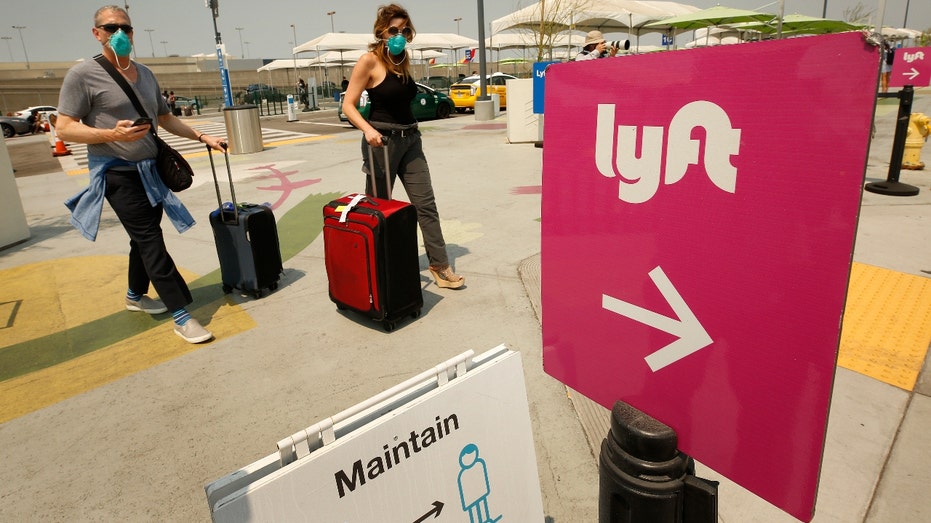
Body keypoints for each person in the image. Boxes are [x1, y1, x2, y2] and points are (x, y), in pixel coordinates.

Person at [57, 5, 227, 343]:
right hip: (116, 173)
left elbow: (165, 118)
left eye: (126, 27)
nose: (119, 33)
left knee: (142, 237)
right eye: (110, 28)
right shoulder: (82, 75)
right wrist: (110, 135)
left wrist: (202, 136)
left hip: (152, 172)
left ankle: (135, 295)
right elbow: (64, 128)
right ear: (97, 33)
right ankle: (181, 315)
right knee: (151, 239)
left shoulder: (146, 74)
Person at [342, 3, 464, 289]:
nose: (400, 35)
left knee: (426, 206)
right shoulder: (368, 61)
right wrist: (368, 130)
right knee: (378, 208)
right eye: (394, 30)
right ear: (381, 32)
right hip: (381, 142)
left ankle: (439, 264)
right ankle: (377, 267)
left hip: (411, 139)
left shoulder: (403, 60)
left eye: (405, 30)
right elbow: (348, 104)